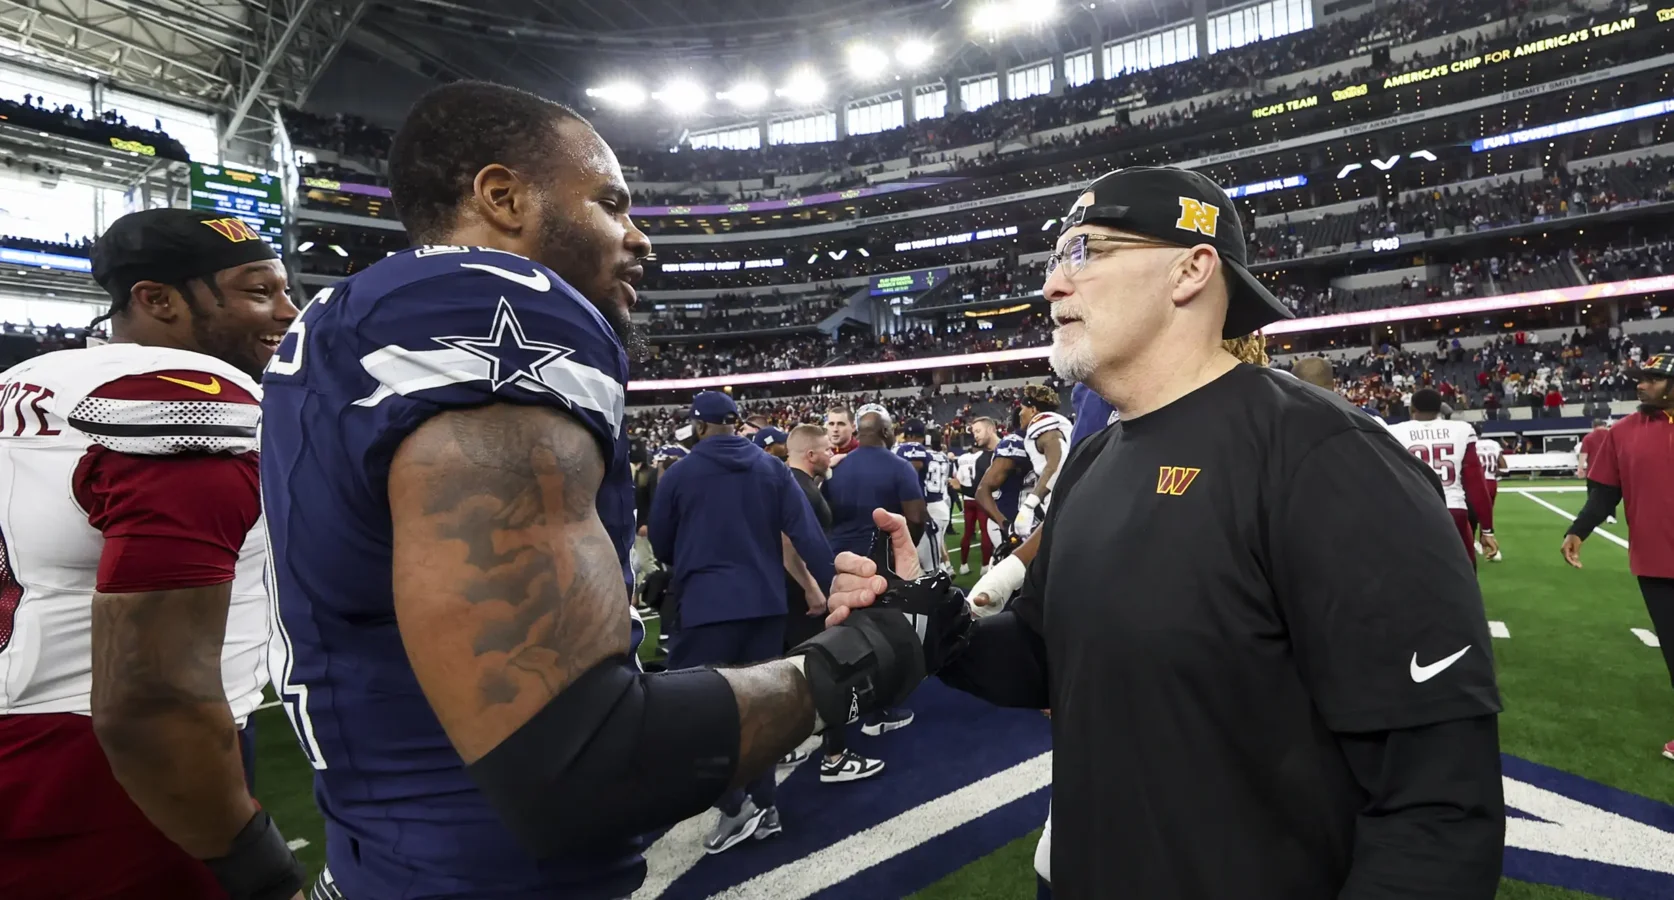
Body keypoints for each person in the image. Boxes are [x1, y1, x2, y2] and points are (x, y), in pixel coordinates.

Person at [259, 81, 944, 899]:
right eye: (611, 204)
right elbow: (579, 759)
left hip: (385, 856)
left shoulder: (349, 321)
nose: (638, 236)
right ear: (502, 198)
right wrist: (857, 659)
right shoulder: (489, 305)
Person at [828, 166, 1505, 900]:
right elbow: (1048, 653)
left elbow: (1438, 810)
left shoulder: (1326, 456)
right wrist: (934, 624)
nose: (1052, 285)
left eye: (1084, 252)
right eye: (1054, 259)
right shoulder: (1094, 460)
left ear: (1191, 269)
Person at [0, 209, 306, 899]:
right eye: (259, 292)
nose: (288, 312)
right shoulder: (181, 400)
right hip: (115, 772)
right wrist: (260, 871)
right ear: (158, 299)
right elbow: (153, 697)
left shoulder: (30, 377)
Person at [648, 392, 835, 853]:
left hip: (705, 608)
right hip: (766, 605)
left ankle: (735, 806)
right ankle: (765, 804)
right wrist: (834, 586)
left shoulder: (680, 472)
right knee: (761, 712)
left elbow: (663, 544)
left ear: (698, 426)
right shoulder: (771, 468)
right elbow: (807, 534)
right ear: (735, 423)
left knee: (695, 717)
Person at [1563, 353, 1674, 761]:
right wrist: (1578, 530)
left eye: (1653, 379)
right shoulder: (1622, 433)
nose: (1641, 385)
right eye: (1640, 378)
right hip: (1656, 561)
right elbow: (1605, 494)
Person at [782, 424, 886, 783]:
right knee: (824, 667)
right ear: (811, 455)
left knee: (788, 670)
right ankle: (835, 756)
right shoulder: (798, 487)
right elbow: (787, 543)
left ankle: (786, 742)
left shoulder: (793, 480)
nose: (833, 454)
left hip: (787, 592)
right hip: (802, 592)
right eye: (827, 449)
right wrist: (812, 586)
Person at [823, 407, 926, 737]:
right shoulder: (898, 466)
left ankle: (841, 709)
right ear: (885, 432)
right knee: (882, 638)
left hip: (838, 563)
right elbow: (916, 518)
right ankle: (879, 710)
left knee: (841, 637)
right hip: (878, 563)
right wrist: (901, 555)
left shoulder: (836, 468)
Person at [1386, 388, 1499, 566]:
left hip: (1413, 510)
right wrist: (1487, 530)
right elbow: (1475, 482)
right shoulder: (1461, 429)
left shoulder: (1394, 431)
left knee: (1414, 570)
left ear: (1412, 408)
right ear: (1440, 408)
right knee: (1464, 570)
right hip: (1453, 508)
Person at [895, 419, 953, 575]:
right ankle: (946, 570)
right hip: (941, 503)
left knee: (926, 562)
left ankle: (942, 578)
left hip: (926, 508)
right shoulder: (943, 457)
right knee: (932, 557)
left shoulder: (910, 450)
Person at [1014, 384, 1072, 539]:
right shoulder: (1057, 422)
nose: (1019, 413)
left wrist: (1029, 504)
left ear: (1033, 410)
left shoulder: (1041, 423)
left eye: (1022, 409)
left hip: (1062, 504)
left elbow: (1058, 463)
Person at [973, 414, 1029, 550]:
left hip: (1019, 514)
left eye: (978, 431)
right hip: (1002, 515)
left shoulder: (1012, 446)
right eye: (974, 432)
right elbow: (979, 490)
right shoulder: (984, 457)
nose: (975, 436)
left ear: (991, 429)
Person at [951, 441, 994, 575]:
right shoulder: (984, 457)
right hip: (981, 498)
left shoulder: (963, 458)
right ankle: (985, 566)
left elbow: (958, 479)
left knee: (968, 532)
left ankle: (963, 565)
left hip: (967, 498)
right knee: (985, 532)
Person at [1475, 430, 1507, 562]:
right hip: (1491, 483)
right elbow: (1504, 468)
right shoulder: (1493, 444)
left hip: (1475, 482)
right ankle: (1486, 544)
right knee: (1486, 515)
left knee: (1470, 515)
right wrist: (1492, 474)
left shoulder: (1468, 443)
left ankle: (1472, 543)